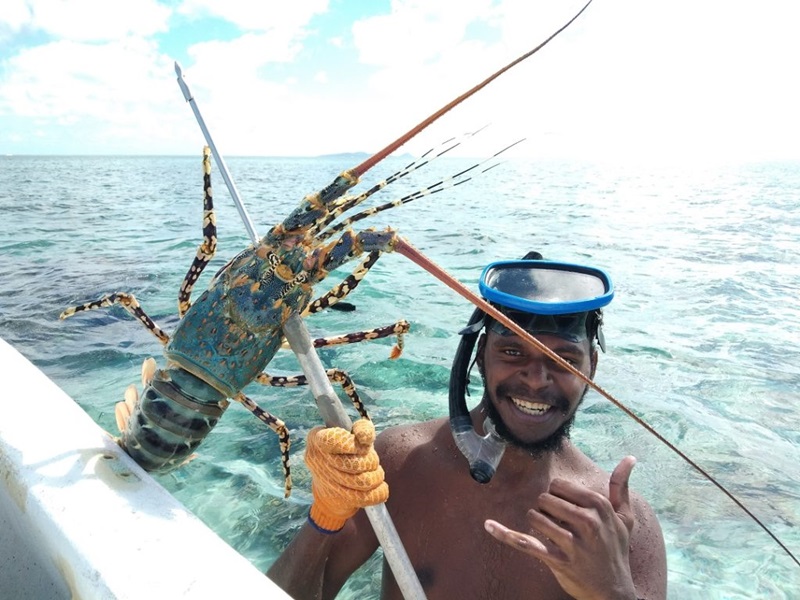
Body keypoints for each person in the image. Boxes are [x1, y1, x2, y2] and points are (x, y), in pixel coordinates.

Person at [268, 253, 667, 600]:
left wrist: (611, 592)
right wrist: (324, 518)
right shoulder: (402, 463)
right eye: (512, 351)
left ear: (591, 368)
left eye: (564, 359)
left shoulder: (619, 522)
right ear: (480, 357)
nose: (536, 379)